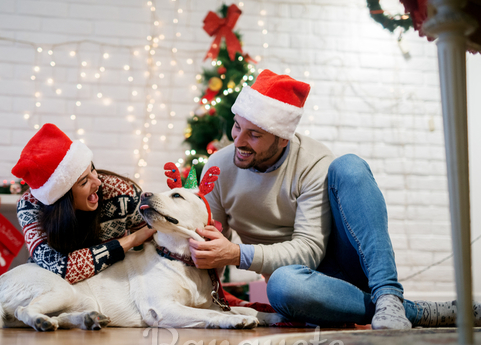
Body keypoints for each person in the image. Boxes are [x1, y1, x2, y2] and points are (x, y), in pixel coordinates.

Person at [188, 69, 480, 330]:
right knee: (282, 283)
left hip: (342, 267)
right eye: (237, 127)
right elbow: (211, 243)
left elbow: (309, 251)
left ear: (282, 138)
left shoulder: (313, 161)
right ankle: (412, 312)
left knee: (349, 166)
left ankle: (388, 294)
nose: (238, 141)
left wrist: (238, 254)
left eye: (254, 134)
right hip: (302, 289)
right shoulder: (219, 166)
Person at [0, 123, 154, 317]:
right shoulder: (30, 206)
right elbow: (59, 268)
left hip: (112, 283)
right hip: (54, 281)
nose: (98, 181)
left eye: (92, 169)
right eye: (84, 181)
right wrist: (129, 241)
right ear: (61, 198)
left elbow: (156, 237)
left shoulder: (122, 192)